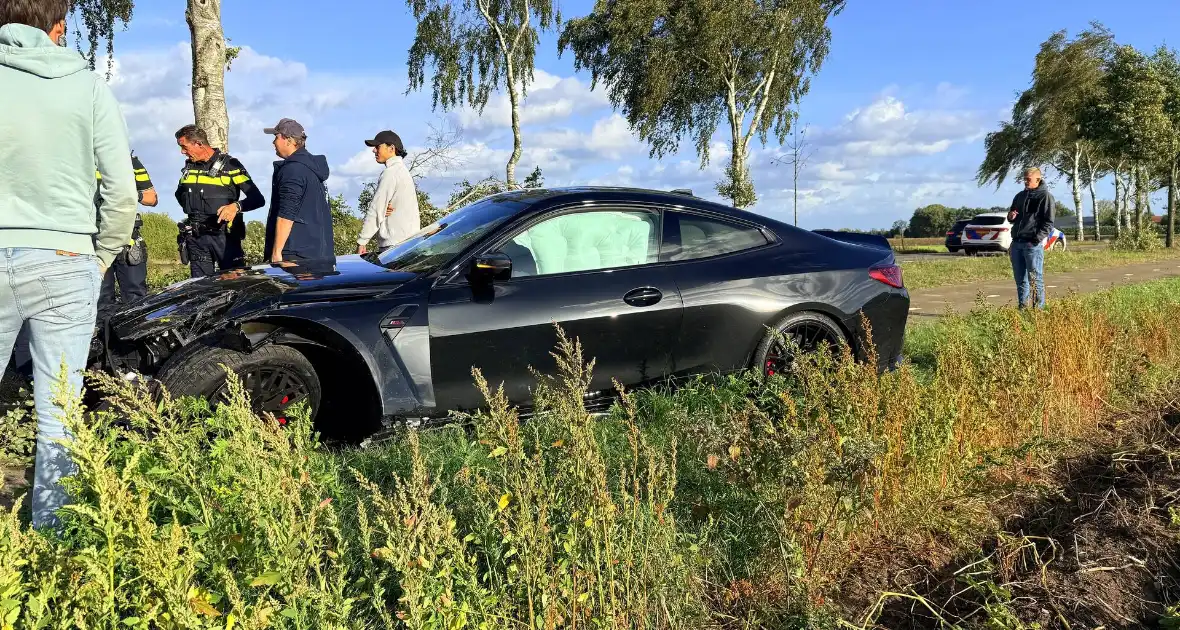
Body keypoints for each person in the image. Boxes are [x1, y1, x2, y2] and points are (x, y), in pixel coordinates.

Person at [0, 0, 138, 529]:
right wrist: (98, 256)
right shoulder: (87, 86)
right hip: (65, 256)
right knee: (58, 416)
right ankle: (53, 550)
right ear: (58, 26)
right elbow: (123, 193)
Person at [174, 124, 265, 277]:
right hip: (196, 239)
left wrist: (235, 207)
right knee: (201, 290)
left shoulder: (230, 165)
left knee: (233, 287)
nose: (182, 152)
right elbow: (180, 196)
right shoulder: (189, 168)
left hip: (225, 238)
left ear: (198, 144)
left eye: (184, 147)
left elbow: (258, 199)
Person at [263, 119, 334, 262]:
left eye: (276, 137)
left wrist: (277, 252)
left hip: (295, 253)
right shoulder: (312, 168)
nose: (273, 143)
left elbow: (286, 213)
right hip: (318, 251)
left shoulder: (293, 169)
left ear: (288, 141)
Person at [97, 153, 158, 318]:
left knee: (135, 298)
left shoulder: (131, 162)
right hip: (94, 242)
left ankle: (134, 341)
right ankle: (105, 341)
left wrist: (131, 194)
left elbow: (152, 198)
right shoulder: (81, 160)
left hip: (127, 241)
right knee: (100, 299)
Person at [357, 130, 420, 254]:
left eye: (377, 147)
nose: (374, 150)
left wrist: (362, 241)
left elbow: (376, 209)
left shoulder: (391, 173)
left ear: (391, 148)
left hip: (394, 246)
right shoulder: (402, 171)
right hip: (407, 243)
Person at [1007, 167, 1055, 310]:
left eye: (1029, 179)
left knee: (1035, 278)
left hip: (1031, 245)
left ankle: (1038, 310)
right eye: (1025, 179)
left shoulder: (1045, 197)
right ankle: (1023, 308)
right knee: (1020, 279)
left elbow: (1048, 223)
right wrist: (1011, 217)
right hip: (1017, 243)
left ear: (1038, 179)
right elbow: (1012, 216)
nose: (1026, 182)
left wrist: (1035, 239)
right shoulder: (1019, 196)